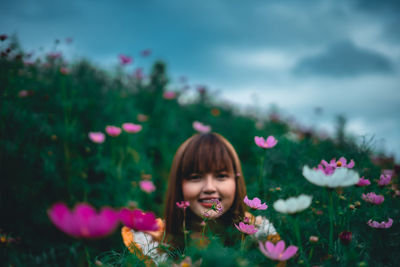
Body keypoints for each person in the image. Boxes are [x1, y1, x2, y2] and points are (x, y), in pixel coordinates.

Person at [121, 133, 280, 264]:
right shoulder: (154, 244)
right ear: (179, 185)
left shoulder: (259, 236)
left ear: (236, 181)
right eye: (195, 177)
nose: (209, 187)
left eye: (221, 176)